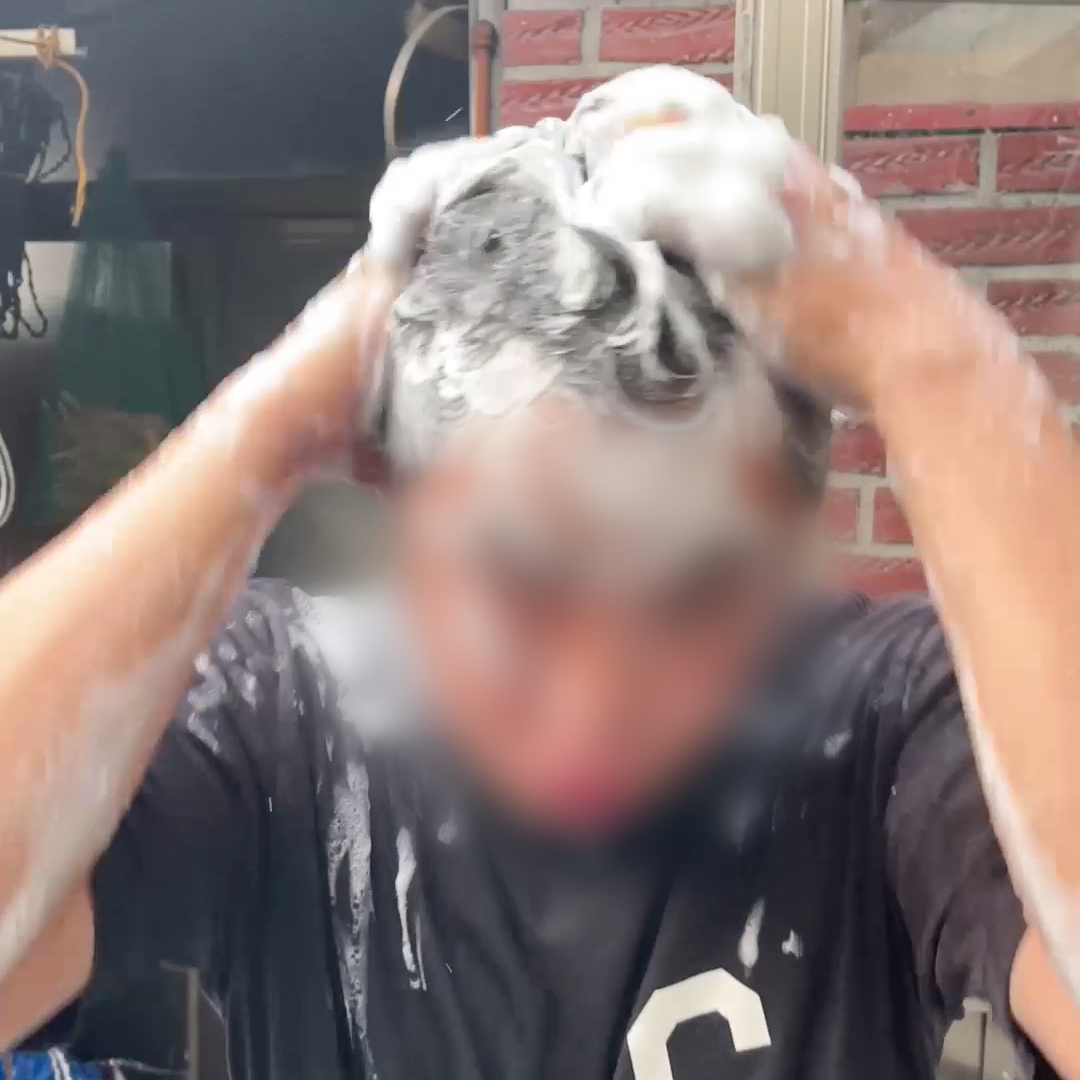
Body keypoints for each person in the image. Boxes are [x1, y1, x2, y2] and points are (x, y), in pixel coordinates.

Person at [0, 66, 1079, 1080]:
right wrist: (270, 419)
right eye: (521, 589)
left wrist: (929, 355)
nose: (592, 702)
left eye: (692, 596)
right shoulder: (283, 721)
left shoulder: (885, 724)